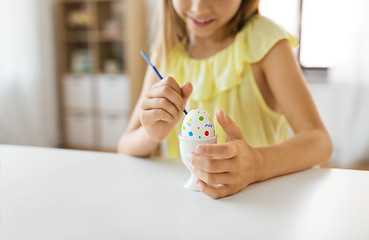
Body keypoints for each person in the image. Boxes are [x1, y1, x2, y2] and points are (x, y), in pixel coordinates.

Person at [118, 0, 333, 199]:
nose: (199, 7)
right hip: (191, 209)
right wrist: (151, 134)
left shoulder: (266, 42)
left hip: (262, 206)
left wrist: (258, 164)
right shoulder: (164, 52)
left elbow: (319, 141)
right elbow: (125, 145)